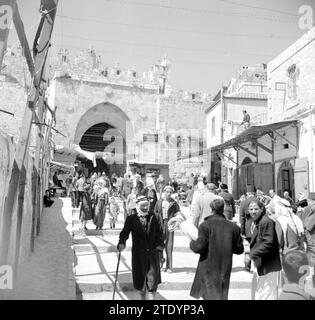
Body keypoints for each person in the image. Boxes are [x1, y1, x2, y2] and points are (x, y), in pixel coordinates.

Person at [190, 198, 244, 300]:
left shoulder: (205, 226)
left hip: (208, 268)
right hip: (225, 268)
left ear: (211, 210)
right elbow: (239, 250)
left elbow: (199, 247)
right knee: (222, 296)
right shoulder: (234, 227)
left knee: (209, 296)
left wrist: (192, 243)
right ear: (223, 209)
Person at [117, 196, 164, 300]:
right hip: (139, 255)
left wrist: (159, 250)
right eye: (143, 206)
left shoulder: (153, 217)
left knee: (152, 281)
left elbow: (160, 235)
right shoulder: (131, 219)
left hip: (152, 254)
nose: (145, 208)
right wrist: (122, 242)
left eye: (147, 206)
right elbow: (125, 232)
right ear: (137, 206)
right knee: (141, 281)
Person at [249, 199, 282, 300]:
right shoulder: (259, 221)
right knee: (262, 292)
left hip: (268, 263)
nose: (253, 211)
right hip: (263, 262)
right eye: (251, 209)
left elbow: (268, 242)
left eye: (256, 209)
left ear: (262, 209)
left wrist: (252, 255)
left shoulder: (265, 222)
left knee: (266, 293)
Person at [154, 185, 181, 273]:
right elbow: (155, 213)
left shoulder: (174, 203)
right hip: (161, 224)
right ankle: (161, 264)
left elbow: (178, 214)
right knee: (160, 244)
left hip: (170, 225)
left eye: (170, 192)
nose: (168, 194)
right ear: (164, 192)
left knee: (169, 245)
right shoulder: (159, 202)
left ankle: (169, 266)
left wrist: (176, 221)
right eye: (167, 192)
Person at [298, 192, 315, 287]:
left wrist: (300, 213)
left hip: (312, 242)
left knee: (311, 269)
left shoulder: (312, 209)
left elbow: (307, 226)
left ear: (310, 201)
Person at [239, 185, 257, 272]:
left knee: (247, 249)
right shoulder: (259, 202)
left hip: (248, 228)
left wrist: (242, 231)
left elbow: (242, 219)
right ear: (255, 193)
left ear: (247, 193)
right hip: (258, 228)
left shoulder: (244, 203)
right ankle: (257, 266)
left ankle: (247, 267)